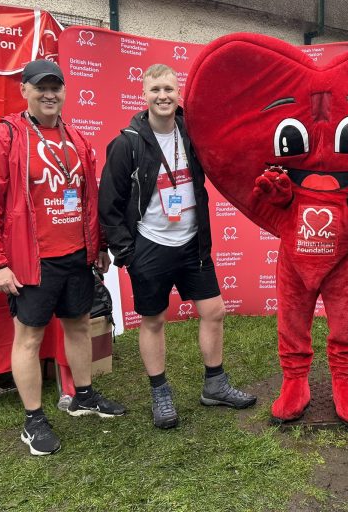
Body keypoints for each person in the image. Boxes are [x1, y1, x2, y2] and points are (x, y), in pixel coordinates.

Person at [0, 59, 125, 457]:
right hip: (31, 259)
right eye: (41, 87)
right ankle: (33, 420)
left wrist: (100, 247)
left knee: (78, 325)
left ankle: (82, 396)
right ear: (24, 90)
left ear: (65, 92)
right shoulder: (5, 137)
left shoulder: (77, 138)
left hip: (76, 254)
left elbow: (90, 199)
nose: (49, 94)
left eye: (56, 87)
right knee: (30, 336)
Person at [98, 63, 256, 430]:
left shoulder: (191, 132)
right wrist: (127, 253)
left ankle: (215, 384)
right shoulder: (128, 143)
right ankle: (160, 392)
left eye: (168, 89)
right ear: (144, 95)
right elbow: (109, 204)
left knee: (214, 310)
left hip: (192, 244)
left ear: (178, 93)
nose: (163, 96)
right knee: (153, 321)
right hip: (150, 246)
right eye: (155, 90)